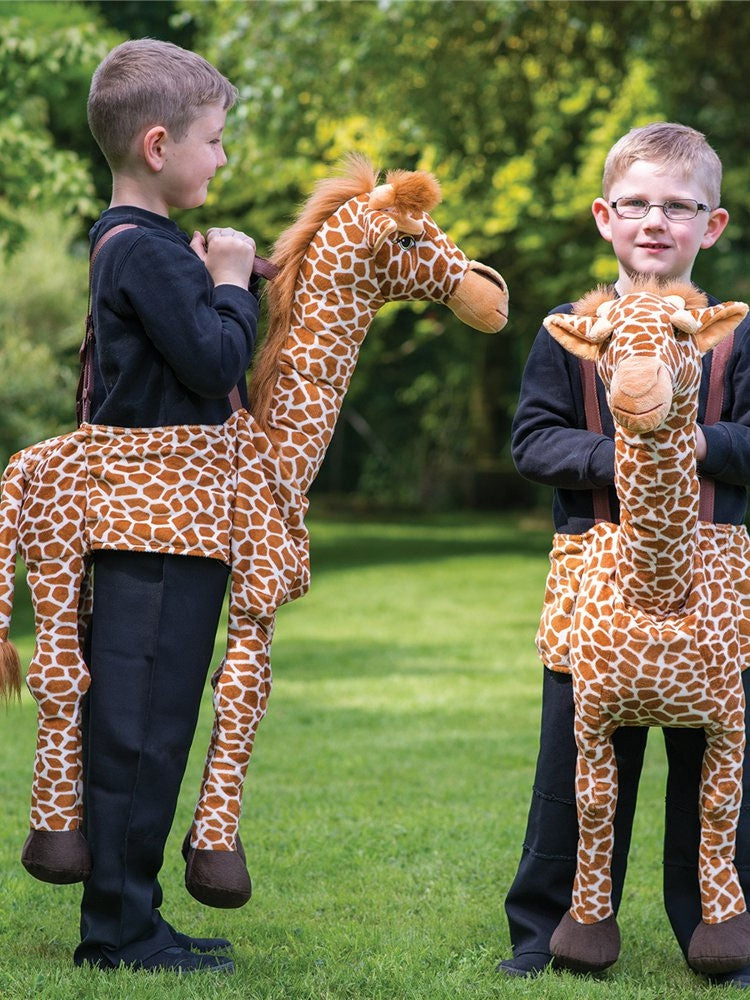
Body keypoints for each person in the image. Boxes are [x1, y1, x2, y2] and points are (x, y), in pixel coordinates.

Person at [500, 122, 750, 986]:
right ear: (605, 217)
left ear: (711, 225)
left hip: (715, 586)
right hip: (592, 581)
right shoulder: (570, 329)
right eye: (636, 204)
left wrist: (694, 446)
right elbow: (533, 440)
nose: (655, 221)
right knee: (573, 766)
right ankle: (547, 933)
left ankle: (718, 933)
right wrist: (627, 458)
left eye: (678, 207)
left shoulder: (733, 333)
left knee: (717, 770)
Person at [73, 38, 260, 974]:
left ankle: (133, 912)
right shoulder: (146, 254)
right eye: (213, 140)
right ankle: (118, 932)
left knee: (154, 722)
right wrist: (230, 279)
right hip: (157, 527)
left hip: (162, 521)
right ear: (158, 145)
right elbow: (215, 362)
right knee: (139, 729)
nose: (221, 158)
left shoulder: (133, 246)